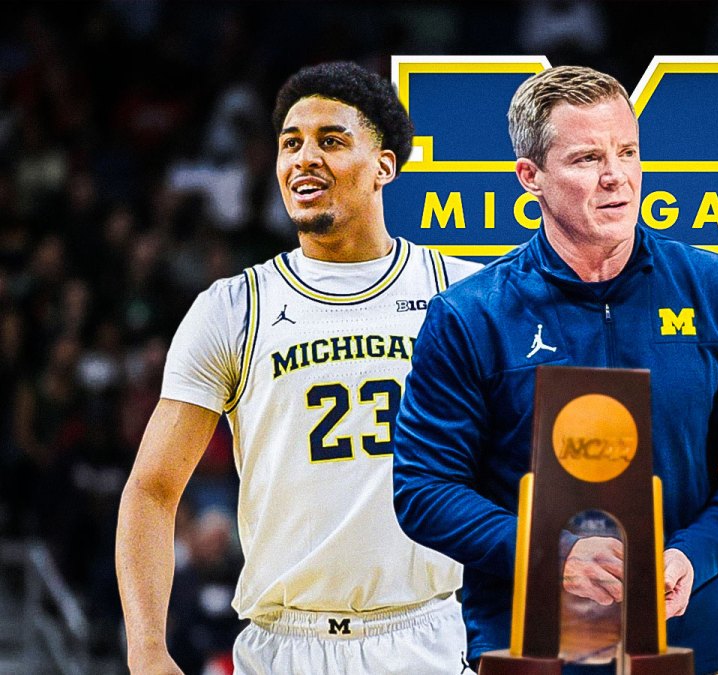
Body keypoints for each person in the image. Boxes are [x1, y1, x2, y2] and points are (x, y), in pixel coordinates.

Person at [391, 65, 718, 675]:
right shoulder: (470, 315)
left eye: (627, 152)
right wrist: (550, 553)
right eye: (586, 159)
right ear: (530, 177)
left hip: (694, 654)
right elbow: (422, 489)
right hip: (530, 657)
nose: (617, 177)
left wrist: (693, 554)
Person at [115, 61, 479, 674]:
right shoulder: (233, 308)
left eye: (331, 141)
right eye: (291, 144)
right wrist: (148, 650)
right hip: (284, 645)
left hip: (426, 634)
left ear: (384, 166)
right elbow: (151, 491)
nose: (304, 158)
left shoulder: (462, 293)